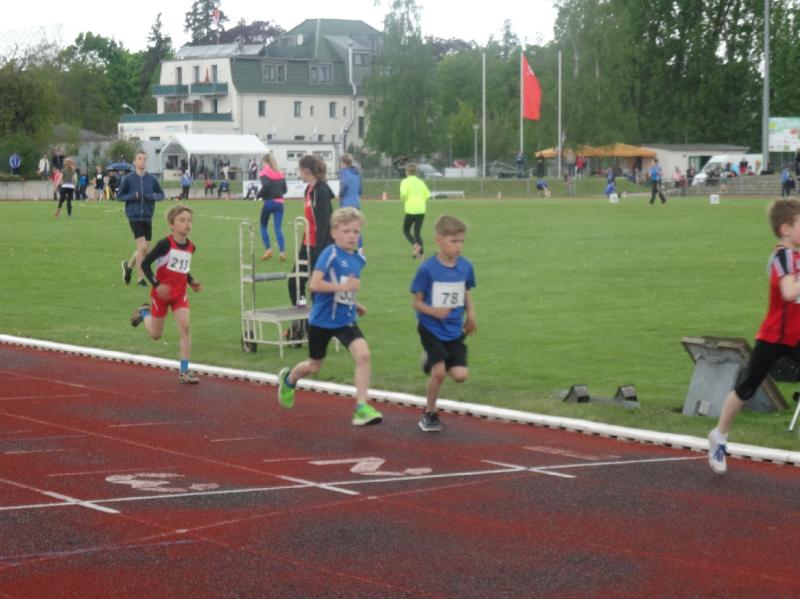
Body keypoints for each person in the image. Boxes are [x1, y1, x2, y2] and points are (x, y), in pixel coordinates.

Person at [708, 199, 800, 474]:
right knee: (747, 387)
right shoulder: (782, 257)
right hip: (773, 337)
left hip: (796, 336)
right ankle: (719, 436)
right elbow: (788, 292)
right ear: (786, 229)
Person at [277, 207, 382, 426]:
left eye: (356, 231)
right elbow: (315, 285)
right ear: (334, 233)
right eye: (346, 231)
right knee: (314, 366)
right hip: (322, 321)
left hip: (345, 319)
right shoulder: (330, 253)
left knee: (363, 355)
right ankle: (289, 379)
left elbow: (346, 288)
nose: (352, 236)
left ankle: (362, 407)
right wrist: (343, 288)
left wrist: (354, 303)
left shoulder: (358, 259)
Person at [411, 214, 477, 432]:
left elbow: (465, 290)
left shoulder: (465, 266)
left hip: (453, 329)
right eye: (453, 241)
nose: (458, 246)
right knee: (439, 373)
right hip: (430, 327)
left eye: (461, 241)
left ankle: (429, 359)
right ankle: (429, 413)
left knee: (460, 376)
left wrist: (471, 315)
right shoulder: (427, 269)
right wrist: (434, 311)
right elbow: (416, 303)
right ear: (439, 240)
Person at [130, 204, 202, 385]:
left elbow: (183, 268)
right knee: (156, 335)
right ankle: (144, 312)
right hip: (161, 295)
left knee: (185, 327)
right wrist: (157, 285)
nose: (187, 224)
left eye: (189, 220)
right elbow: (145, 265)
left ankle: (184, 371)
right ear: (172, 224)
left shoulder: (191, 247)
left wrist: (191, 281)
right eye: (182, 220)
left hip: (179, 294)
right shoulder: (165, 244)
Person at [288, 155, 334, 307]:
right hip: (307, 243)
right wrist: (304, 243)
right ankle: (301, 317)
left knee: (316, 289)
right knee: (294, 282)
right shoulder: (308, 189)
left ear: (306, 171)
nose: (299, 173)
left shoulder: (321, 191)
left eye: (299, 170)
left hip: (319, 245)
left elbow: (324, 224)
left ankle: (318, 318)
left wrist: (319, 251)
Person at [118, 150, 166, 287]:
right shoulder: (128, 179)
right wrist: (132, 196)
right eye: (139, 159)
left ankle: (128, 266)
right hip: (134, 216)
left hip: (148, 217)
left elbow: (161, 195)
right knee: (142, 247)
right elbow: (119, 196)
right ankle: (140, 280)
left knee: (144, 250)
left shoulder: (152, 179)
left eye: (144, 159)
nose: (142, 161)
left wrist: (152, 197)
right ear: (134, 162)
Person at [256, 152, 287, 261]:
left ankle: (268, 250)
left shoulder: (264, 172)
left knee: (263, 225)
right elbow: (285, 190)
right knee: (278, 227)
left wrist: (259, 195)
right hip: (279, 204)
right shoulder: (280, 173)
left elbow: (266, 185)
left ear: (265, 162)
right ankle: (282, 252)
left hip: (269, 203)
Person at [400, 163, 430, 260]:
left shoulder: (405, 182)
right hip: (421, 210)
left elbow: (403, 195)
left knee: (406, 230)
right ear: (416, 172)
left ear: (406, 172)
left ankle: (415, 244)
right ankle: (421, 254)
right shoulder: (420, 182)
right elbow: (427, 195)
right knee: (417, 232)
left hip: (410, 210)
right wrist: (421, 201)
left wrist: (404, 200)